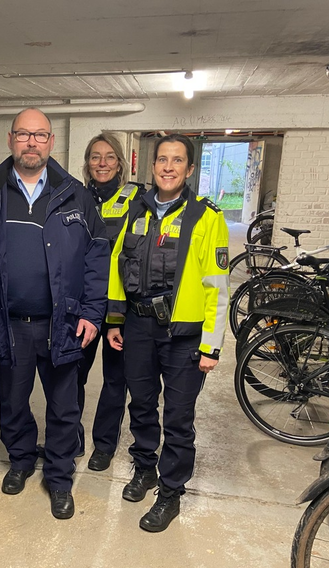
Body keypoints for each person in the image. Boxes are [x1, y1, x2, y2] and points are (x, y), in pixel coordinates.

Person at [0, 108, 109, 520]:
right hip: (8, 324)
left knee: (64, 406)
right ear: (10, 139)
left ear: (52, 142)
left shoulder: (76, 195)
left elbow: (97, 259)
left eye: (40, 135)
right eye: (23, 134)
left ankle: (58, 478)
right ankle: (20, 461)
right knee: (13, 402)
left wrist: (92, 311)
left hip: (64, 323)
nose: (31, 142)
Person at [106, 133, 229, 533]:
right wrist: (115, 318)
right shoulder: (135, 210)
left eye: (178, 160)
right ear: (152, 166)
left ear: (190, 169)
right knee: (140, 405)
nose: (169, 167)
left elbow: (218, 288)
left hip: (185, 337)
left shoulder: (206, 218)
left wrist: (212, 346)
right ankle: (145, 470)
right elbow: (116, 266)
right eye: (162, 159)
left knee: (178, 417)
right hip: (140, 327)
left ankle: (171, 491)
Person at [76, 134, 144, 471]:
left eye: (109, 157)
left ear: (120, 162)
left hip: (121, 305)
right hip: (83, 304)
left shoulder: (138, 198)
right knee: (71, 375)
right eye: (95, 157)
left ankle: (104, 446)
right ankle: (69, 437)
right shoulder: (75, 197)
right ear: (87, 163)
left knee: (116, 380)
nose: (102, 163)